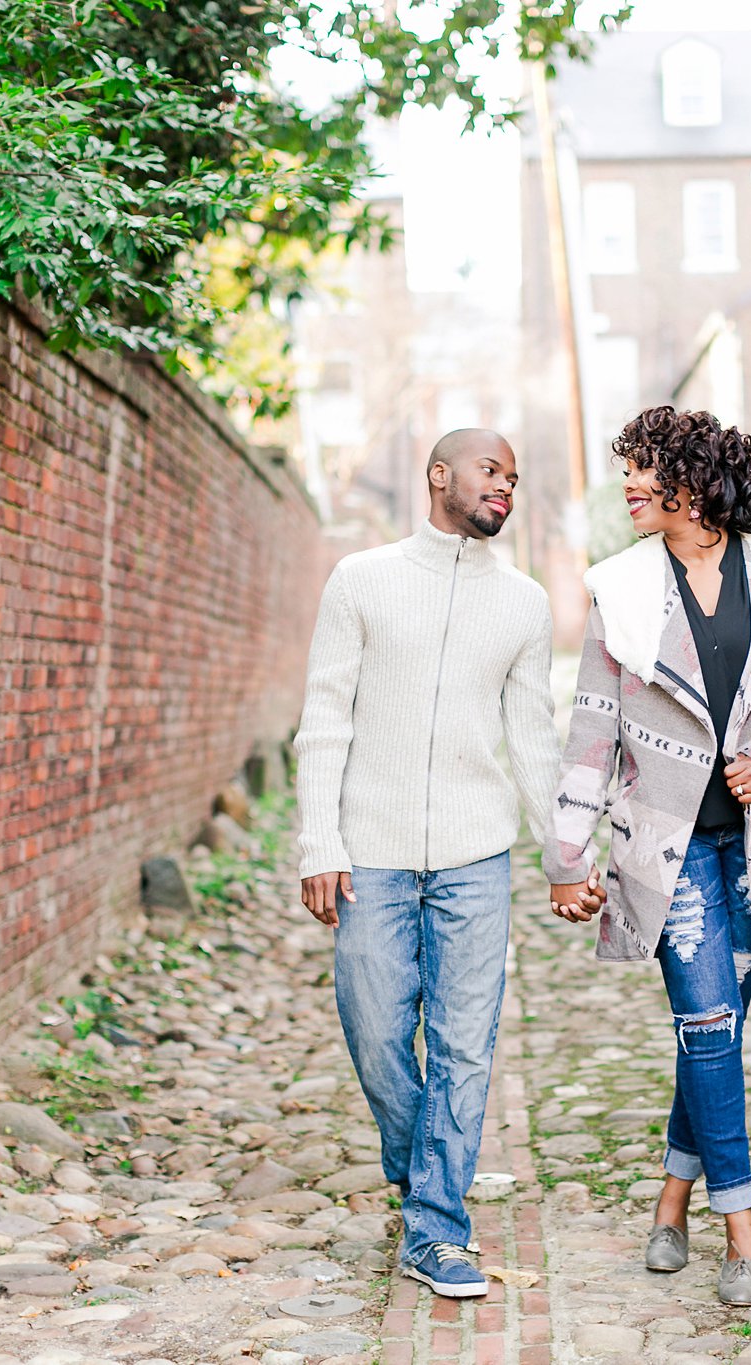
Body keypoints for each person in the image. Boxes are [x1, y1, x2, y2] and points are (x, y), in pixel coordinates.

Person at [543, 406, 751, 1307]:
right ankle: (744, 1231)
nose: (630, 486)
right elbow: (589, 732)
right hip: (668, 850)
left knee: (711, 1033)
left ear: (695, 479)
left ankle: (671, 1202)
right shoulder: (624, 592)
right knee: (711, 1024)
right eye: (629, 471)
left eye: (646, 470)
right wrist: (567, 856)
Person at [293, 429, 590, 1297]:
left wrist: (563, 855)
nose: (506, 486)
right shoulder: (363, 581)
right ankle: (422, 1160)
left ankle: (435, 1228)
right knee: (378, 1029)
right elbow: (325, 717)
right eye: (491, 470)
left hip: (474, 857)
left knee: (465, 1045)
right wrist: (322, 840)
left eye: (513, 476)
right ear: (440, 476)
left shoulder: (524, 602)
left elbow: (534, 737)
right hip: (371, 854)